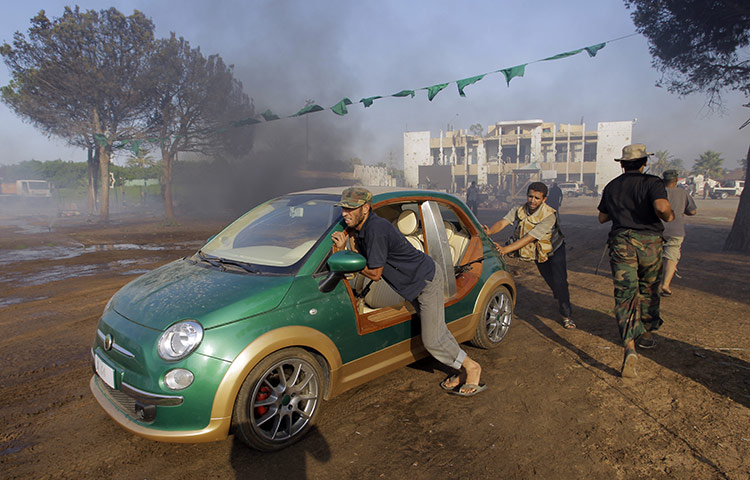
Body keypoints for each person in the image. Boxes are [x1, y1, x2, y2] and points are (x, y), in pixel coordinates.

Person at [330, 187, 486, 396]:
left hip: (425, 281)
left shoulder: (376, 229)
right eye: (343, 209)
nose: (344, 214)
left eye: (350, 209)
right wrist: (344, 248)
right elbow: (362, 257)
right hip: (412, 283)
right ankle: (460, 368)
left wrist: (347, 255)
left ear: (365, 208)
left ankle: (472, 368)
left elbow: (375, 274)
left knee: (432, 340)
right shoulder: (362, 228)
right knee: (438, 331)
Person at [597, 144, 674, 379]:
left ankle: (629, 347)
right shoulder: (652, 182)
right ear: (644, 163)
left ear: (622, 164)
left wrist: (620, 210)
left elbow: (602, 217)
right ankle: (648, 334)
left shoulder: (612, 186)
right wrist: (669, 216)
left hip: (622, 243)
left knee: (625, 294)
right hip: (649, 242)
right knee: (649, 288)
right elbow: (662, 208)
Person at [483, 182, 575, 329]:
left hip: (555, 250)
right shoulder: (519, 209)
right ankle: (559, 293)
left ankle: (566, 315)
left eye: (537, 198)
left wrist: (505, 250)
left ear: (544, 199)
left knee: (560, 282)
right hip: (539, 252)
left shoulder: (549, 215)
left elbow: (529, 238)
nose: (532, 200)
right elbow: (503, 222)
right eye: (530, 196)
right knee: (551, 281)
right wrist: (490, 231)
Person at [660, 169, 697, 296]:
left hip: (657, 229)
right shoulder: (683, 193)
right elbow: (692, 211)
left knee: (653, 256)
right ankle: (665, 284)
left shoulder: (657, 192)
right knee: (672, 256)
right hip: (676, 230)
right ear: (676, 180)